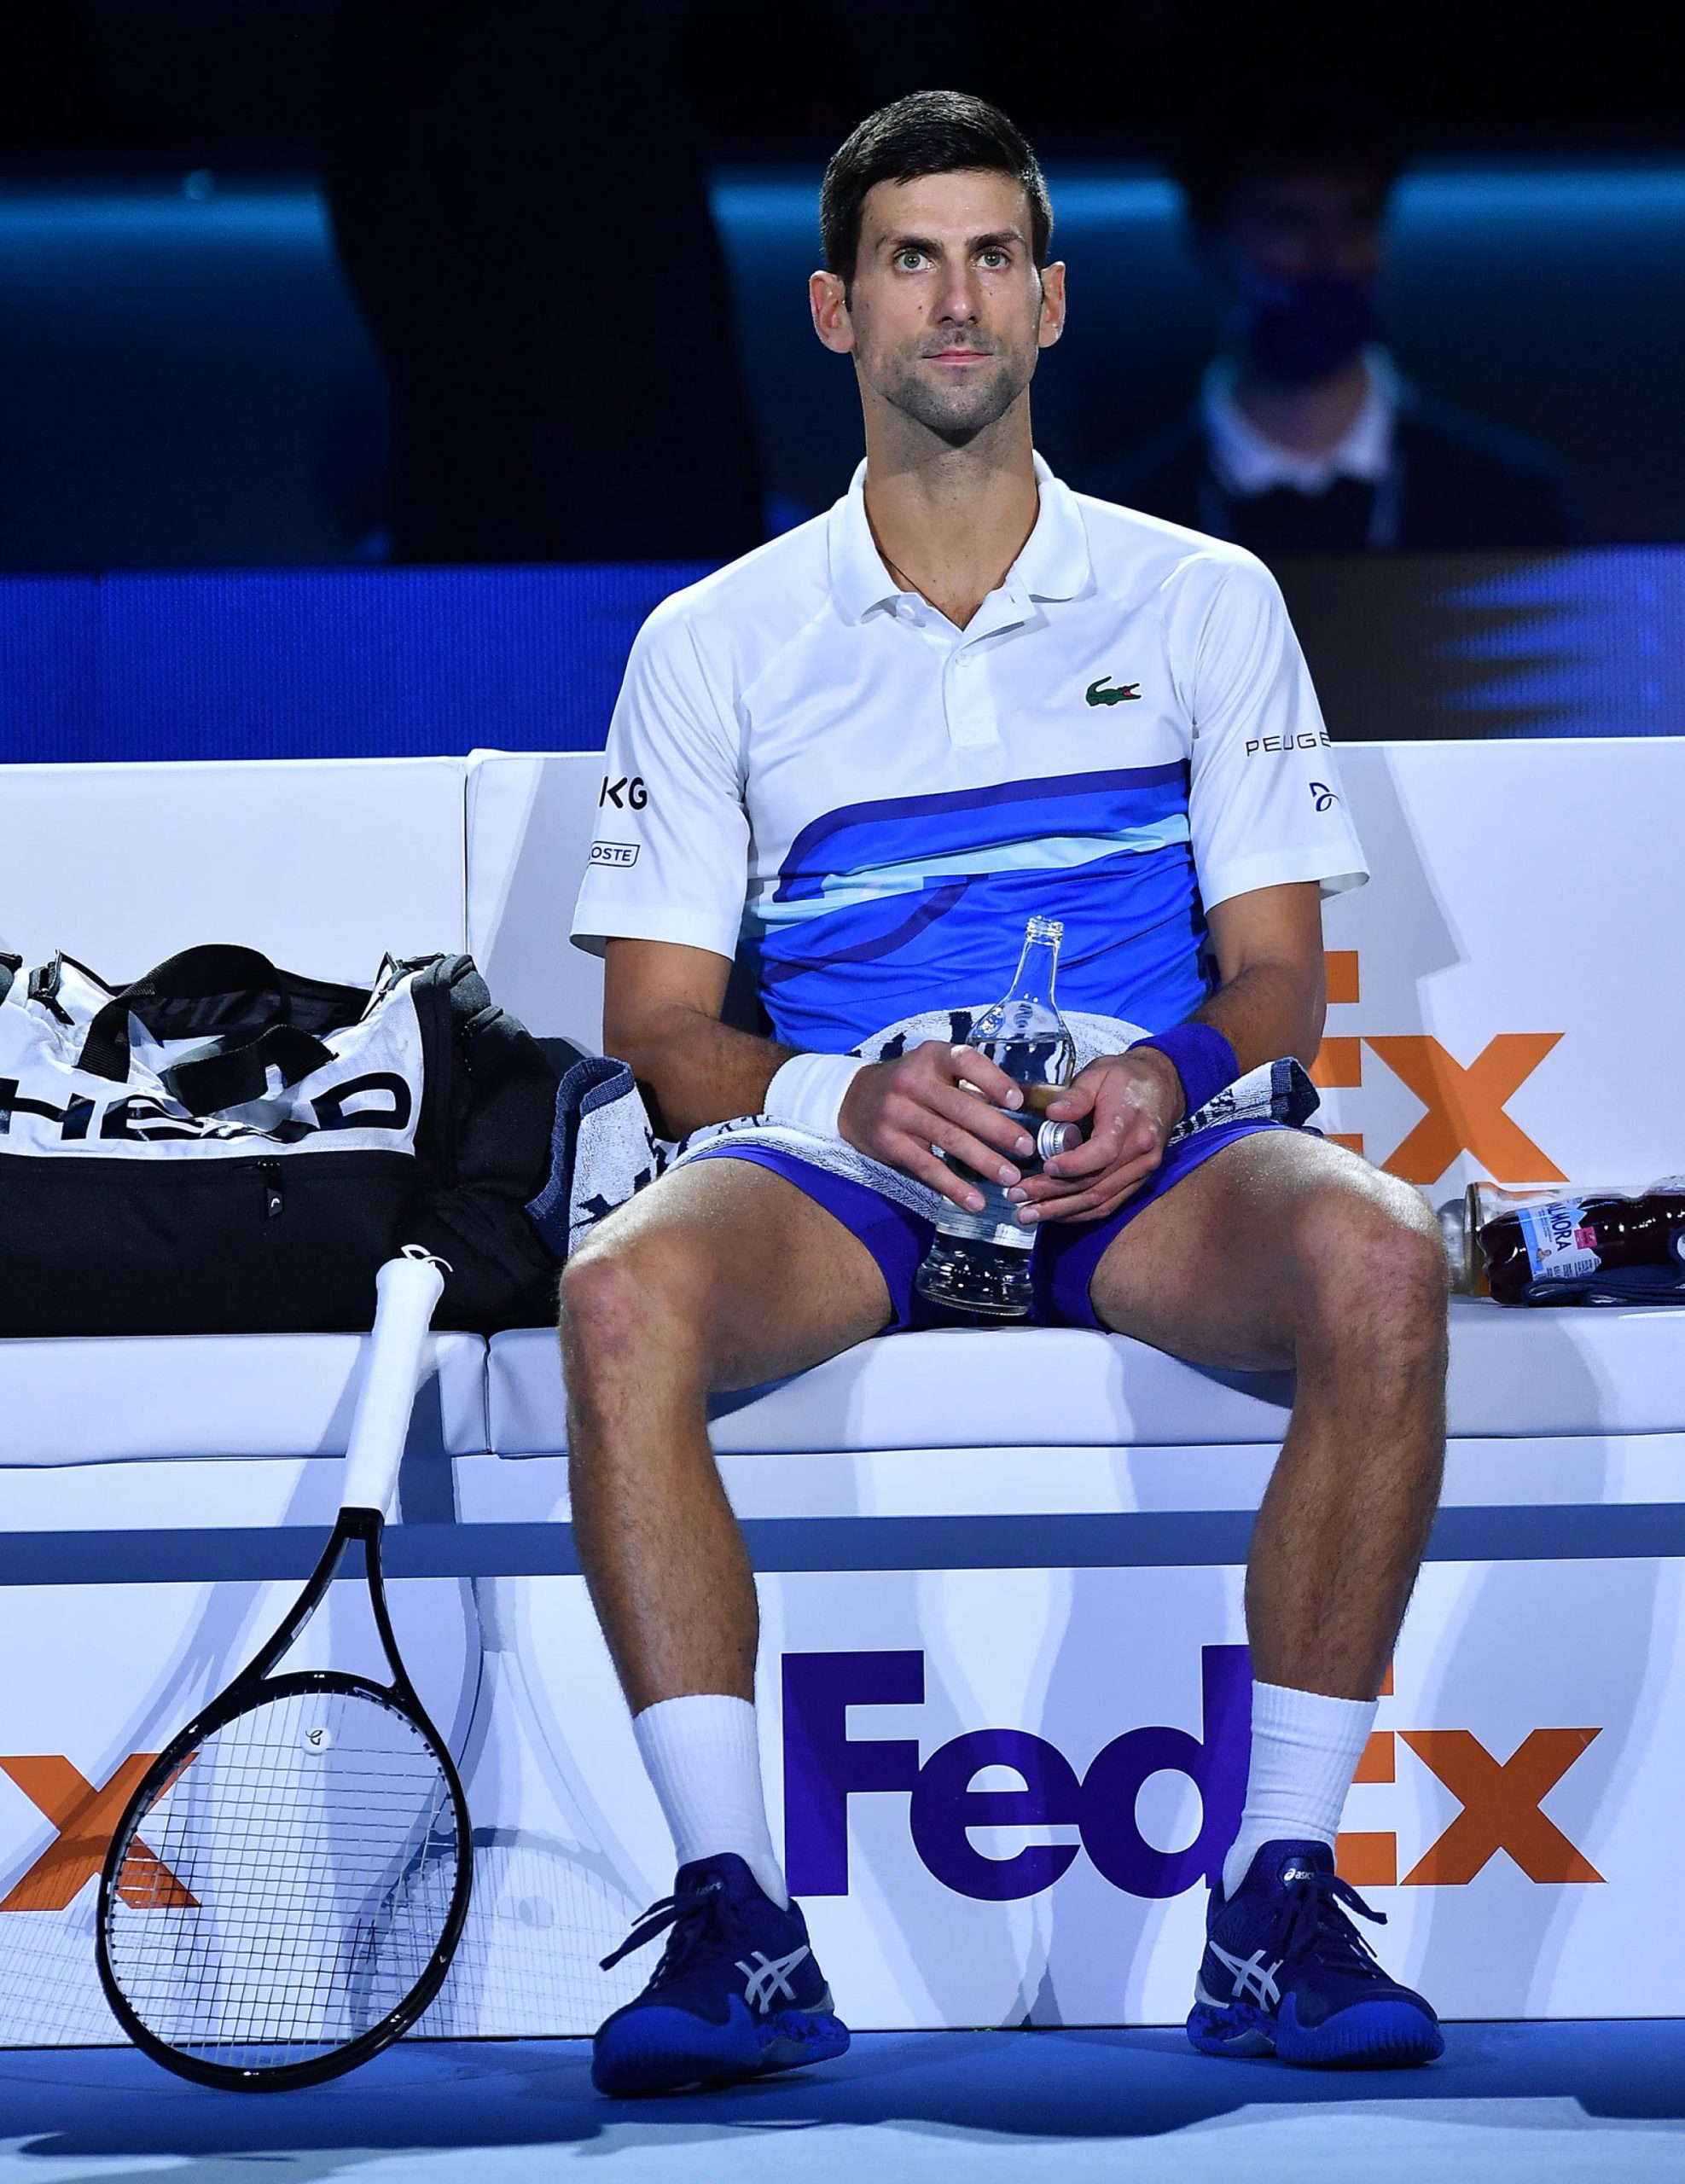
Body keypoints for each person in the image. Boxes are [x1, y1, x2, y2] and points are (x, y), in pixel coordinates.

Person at [565, 90, 1450, 2096]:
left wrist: (1175, 1070)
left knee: (1386, 1260)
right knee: (622, 1288)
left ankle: (1276, 1901)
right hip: (854, 1169)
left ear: (1049, 302)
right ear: (832, 309)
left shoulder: (1204, 596)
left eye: (987, 259)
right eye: (907, 260)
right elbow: (658, 1021)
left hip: (1150, 1161)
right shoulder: (712, 641)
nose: (950, 300)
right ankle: (736, 1914)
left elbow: (1286, 970)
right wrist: (854, 1096)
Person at [1088, 101, 1579, 553]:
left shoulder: (1510, 501)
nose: (1331, 261)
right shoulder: (1120, 520)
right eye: (1290, 223)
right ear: (1210, 243)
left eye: (1356, 221)